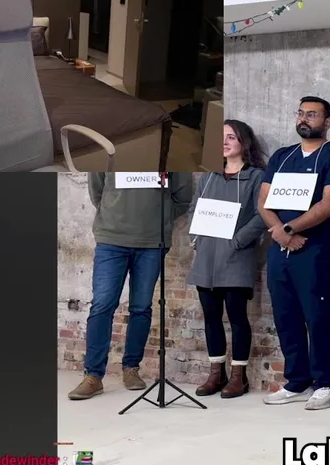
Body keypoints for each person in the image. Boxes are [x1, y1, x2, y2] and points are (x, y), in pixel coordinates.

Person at [257, 96, 330, 410]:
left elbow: (329, 204)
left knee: (318, 316)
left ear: (327, 122)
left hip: (316, 248)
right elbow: (263, 202)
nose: (304, 118)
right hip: (280, 248)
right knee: (285, 315)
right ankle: (296, 381)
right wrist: (281, 233)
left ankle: (325, 383)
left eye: (312, 114)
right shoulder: (282, 156)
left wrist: (289, 229)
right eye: (301, 113)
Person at [68, 171, 194, 400]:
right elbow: (97, 190)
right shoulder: (108, 151)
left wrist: (160, 217)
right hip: (111, 239)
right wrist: (113, 213)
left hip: (152, 242)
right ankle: (93, 375)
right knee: (102, 305)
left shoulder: (170, 153)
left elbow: (183, 196)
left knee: (141, 307)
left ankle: (131, 368)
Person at [187, 120, 269, 399]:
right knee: (211, 317)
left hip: (236, 256)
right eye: (221, 137)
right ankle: (216, 373)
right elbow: (194, 208)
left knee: (237, 317)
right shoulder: (209, 176)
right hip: (207, 256)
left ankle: (238, 376)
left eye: (231, 137)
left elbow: (262, 214)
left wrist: (238, 240)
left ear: (244, 142)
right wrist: (196, 238)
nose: (224, 142)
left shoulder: (256, 177)